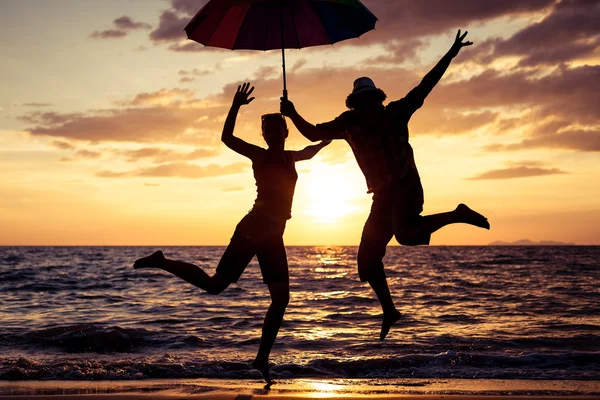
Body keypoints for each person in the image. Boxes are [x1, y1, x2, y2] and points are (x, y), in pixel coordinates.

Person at [280, 30, 490, 341]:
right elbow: (312, 134)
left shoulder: (396, 112)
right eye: (363, 102)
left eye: (373, 100)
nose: (370, 106)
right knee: (366, 264)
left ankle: (457, 214)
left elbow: (425, 86)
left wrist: (451, 53)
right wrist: (293, 113)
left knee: (405, 234)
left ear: (379, 99)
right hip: (381, 196)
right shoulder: (348, 124)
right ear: (356, 105)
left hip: (406, 187)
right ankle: (389, 310)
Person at [133, 82, 330, 385]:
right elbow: (227, 138)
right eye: (269, 130)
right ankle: (163, 261)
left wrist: (321, 128)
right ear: (264, 135)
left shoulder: (293, 156)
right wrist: (236, 105)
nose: (274, 133)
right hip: (252, 230)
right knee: (215, 286)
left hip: (273, 237)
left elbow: (316, 146)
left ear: (286, 131)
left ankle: (262, 358)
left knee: (281, 299)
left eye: (278, 128)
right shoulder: (259, 156)